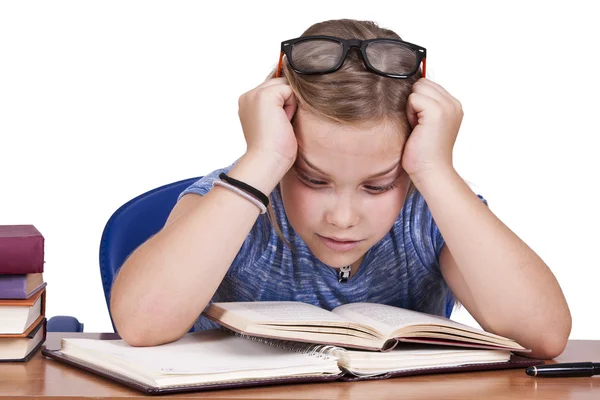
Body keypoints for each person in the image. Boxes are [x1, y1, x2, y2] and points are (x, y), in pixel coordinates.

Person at [110, 19, 571, 359]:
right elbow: (140, 325)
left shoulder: (430, 208)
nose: (343, 217)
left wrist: (436, 170)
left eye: (379, 185)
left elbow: (544, 336)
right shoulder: (237, 196)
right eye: (313, 178)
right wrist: (262, 161)